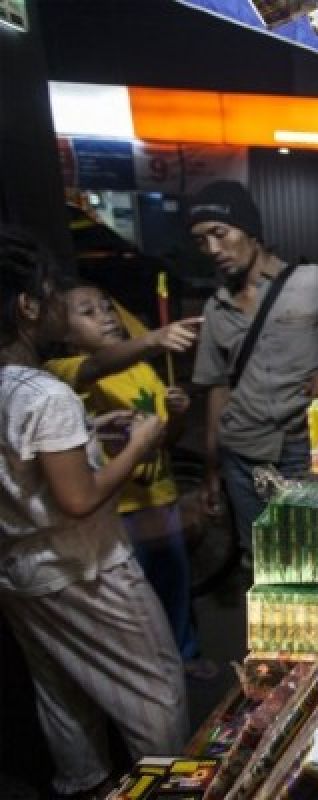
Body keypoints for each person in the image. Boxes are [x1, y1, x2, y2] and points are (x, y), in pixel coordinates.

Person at [0, 227, 188, 798]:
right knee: (156, 689)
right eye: (53, 293)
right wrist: (140, 442)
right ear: (29, 305)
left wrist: (88, 433)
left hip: (22, 576)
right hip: (86, 569)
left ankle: (83, 786)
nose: (61, 303)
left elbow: (25, 467)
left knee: (62, 693)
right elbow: (78, 499)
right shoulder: (45, 394)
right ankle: (169, 789)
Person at [186, 181, 318, 560]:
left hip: (303, 448)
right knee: (260, 559)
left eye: (220, 233)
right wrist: (212, 468)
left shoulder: (314, 282)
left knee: (315, 553)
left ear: (250, 231)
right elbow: (217, 388)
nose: (213, 250)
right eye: (202, 241)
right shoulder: (216, 308)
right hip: (241, 454)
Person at [44, 285, 213, 678]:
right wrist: (153, 338)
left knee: (174, 583)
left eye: (108, 306)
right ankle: (152, 671)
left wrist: (179, 415)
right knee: (138, 600)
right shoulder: (64, 372)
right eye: (88, 311)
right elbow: (96, 367)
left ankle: (184, 655)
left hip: (160, 495)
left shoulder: (142, 370)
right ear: (63, 332)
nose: (106, 315)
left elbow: (167, 439)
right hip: (118, 507)